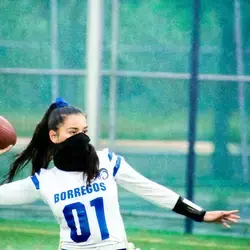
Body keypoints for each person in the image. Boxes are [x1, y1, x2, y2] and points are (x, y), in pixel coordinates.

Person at [0, 98, 239, 250]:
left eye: (84, 130)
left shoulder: (107, 162)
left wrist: (201, 214)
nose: (81, 137)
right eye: (72, 131)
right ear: (54, 136)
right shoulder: (45, 181)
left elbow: (151, 190)